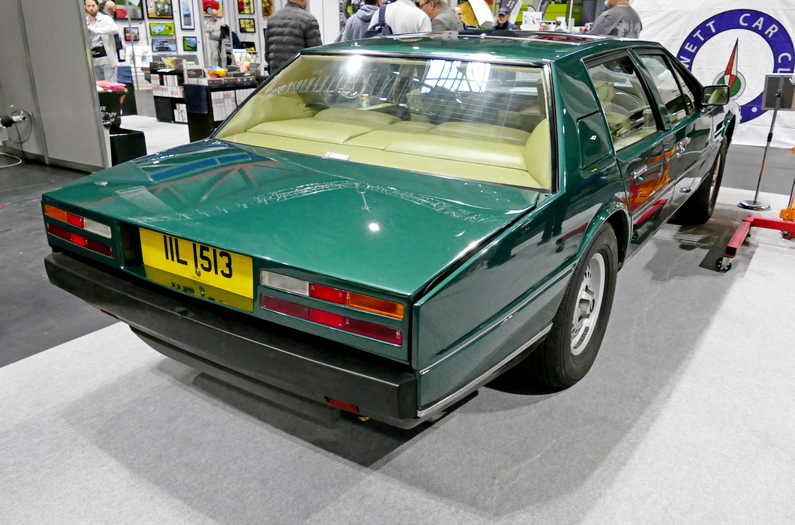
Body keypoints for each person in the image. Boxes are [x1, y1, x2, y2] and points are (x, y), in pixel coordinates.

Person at [265, 0, 322, 73]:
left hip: (276, 78)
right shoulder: (309, 20)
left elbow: (267, 54)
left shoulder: (272, 19)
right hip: (298, 78)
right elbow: (316, 56)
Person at [85, 0, 119, 82]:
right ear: (85, 7)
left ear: (98, 6)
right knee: (98, 87)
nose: (91, 8)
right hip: (93, 58)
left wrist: (95, 30)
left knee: (110, 86)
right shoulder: (85, 21)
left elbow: (114, 29)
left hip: (106, 57)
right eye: (88, 6)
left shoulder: (106, 19)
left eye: (93, 5)